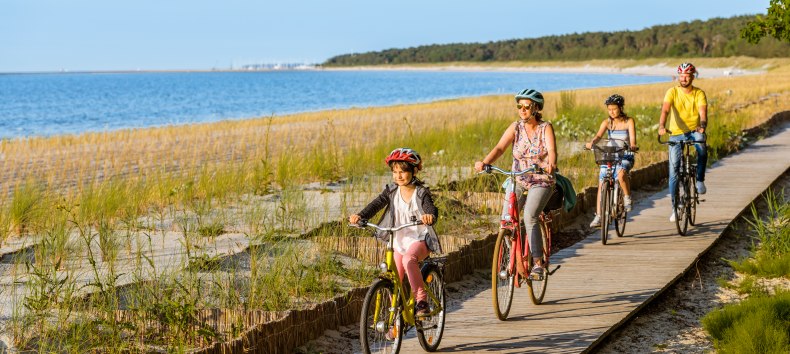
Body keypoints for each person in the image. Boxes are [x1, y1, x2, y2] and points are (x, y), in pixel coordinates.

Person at [474, 88, 557, 279]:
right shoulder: (515, 127)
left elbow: (551, 150)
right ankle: (516, 255)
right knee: (506, 219)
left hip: (541, 179)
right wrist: (485, 163)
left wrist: (551, 164)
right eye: (519, 107)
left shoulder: (546, 128)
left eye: (526, 107)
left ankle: (537, 263)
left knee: (529, 216)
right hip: (518, 177)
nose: (522, 110)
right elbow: (500, 147)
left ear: (536, 108)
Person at [349, 148, 442, 316]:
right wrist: (360, 216)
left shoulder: (421, 193)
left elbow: (430, 208)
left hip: (418, 239)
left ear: (414, 171)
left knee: (409, 260)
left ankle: (422, 301)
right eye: (395, 172)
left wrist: (430, 216)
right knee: (394, 279)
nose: (399, 176)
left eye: (403, 172)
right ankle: (395, 321)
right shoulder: (391, 191)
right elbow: (376, 204)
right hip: (397, 240)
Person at [658, 62, 709, 222]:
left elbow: (703, 113)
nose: (684, 78)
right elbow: (665, 110)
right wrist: (661, 126)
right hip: (676, 134)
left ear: (693, 76)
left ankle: (699, 180)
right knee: (673, 172)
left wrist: (702, 125)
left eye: (687, 75)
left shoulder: (699, 93)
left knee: (701, 146)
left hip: (694, 131)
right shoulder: (672, 91)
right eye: (681, 75)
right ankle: (675, 207)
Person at [586, 94, 638, 228]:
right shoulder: (607, 123)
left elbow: (632, 139)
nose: (612, 112)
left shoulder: (629, 121)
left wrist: (632, 145)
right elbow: (598, 136)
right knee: (602, 179)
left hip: (625, 155)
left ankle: (627, 197)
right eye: (609, 109)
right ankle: (598, 215)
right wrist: (592, 143)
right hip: (610, 156)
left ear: (621, 108)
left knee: (621, 174)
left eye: (614, 109)